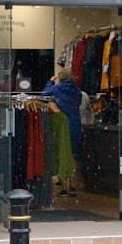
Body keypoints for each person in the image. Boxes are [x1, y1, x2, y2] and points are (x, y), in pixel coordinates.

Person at [42, 67, 83, 195]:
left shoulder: (57, 89)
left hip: (63, 123)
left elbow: (44, 94)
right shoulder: (77, 91)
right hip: (75, 123)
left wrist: (50, 82)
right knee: (73, 154)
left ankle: (65, 186)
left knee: (63, 153)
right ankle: (73, 184)